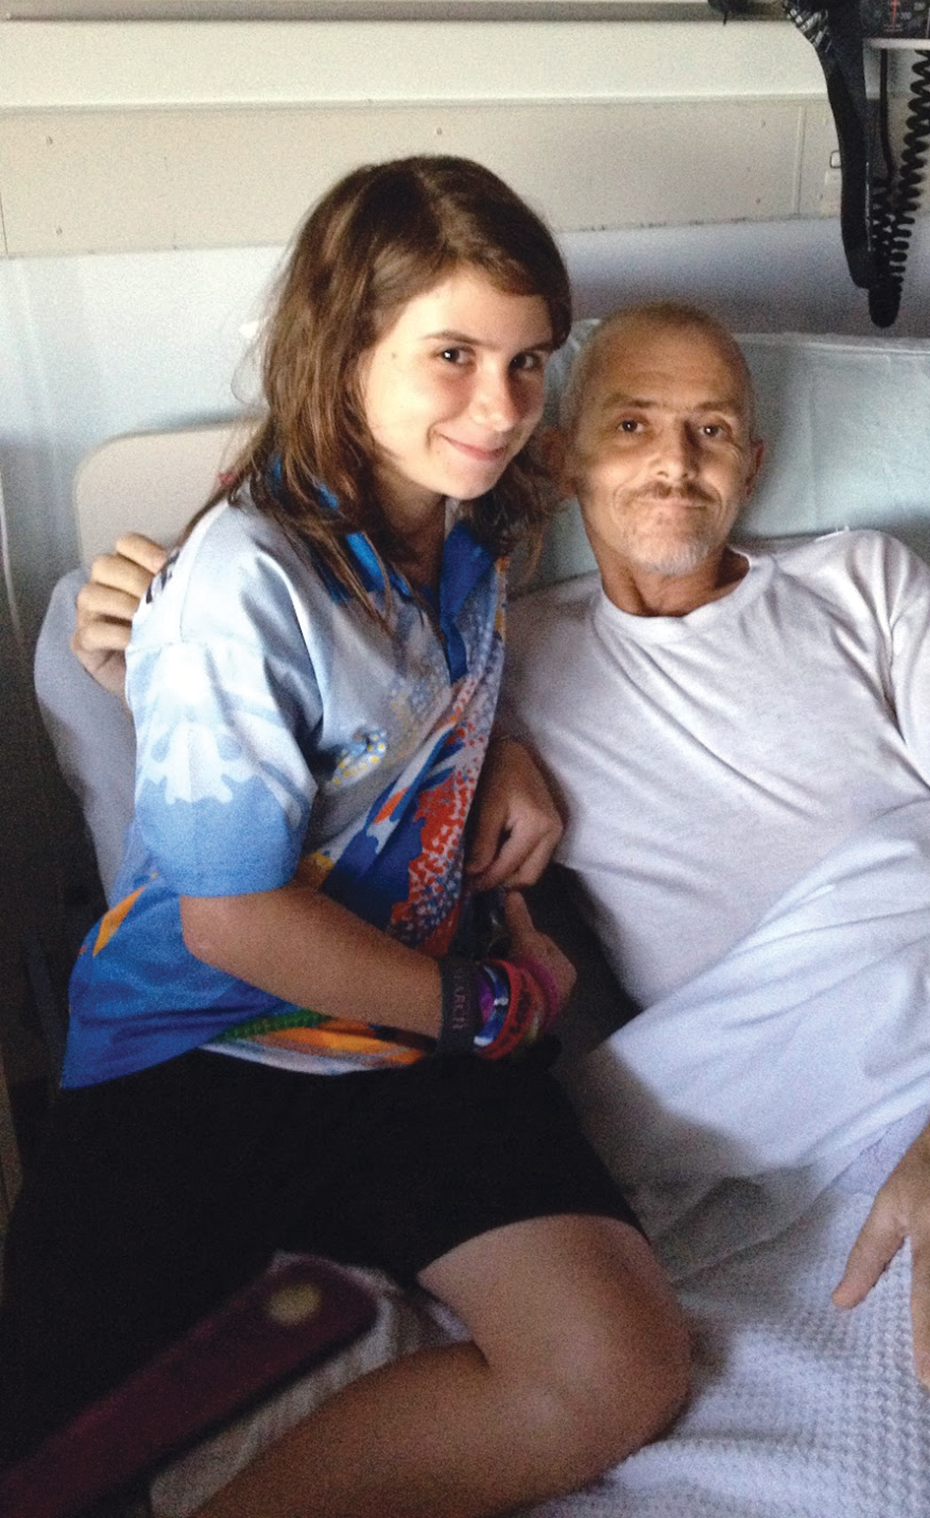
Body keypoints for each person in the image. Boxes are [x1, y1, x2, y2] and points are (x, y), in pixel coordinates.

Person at [69, 300, 930, 1436]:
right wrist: (149, 621)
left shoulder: (863, 580)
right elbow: (298, 721)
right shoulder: (491, 653)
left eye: (712, 430)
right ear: (560, 457)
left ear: (753, 463)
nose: (675, 461)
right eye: (632, 424)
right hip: (800, 1093)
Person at [1, 163, 689, 1517]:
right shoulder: (248, 580)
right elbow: (233, 920)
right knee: (44, 1467)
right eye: (451, 355)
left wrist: (503, 751)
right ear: (346, 346)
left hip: (403, 1035)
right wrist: (486, 1002)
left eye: (528, 363)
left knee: (617, 1369)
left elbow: (402, 714)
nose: (498, 408)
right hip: (209, 1037)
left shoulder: (475, 531)